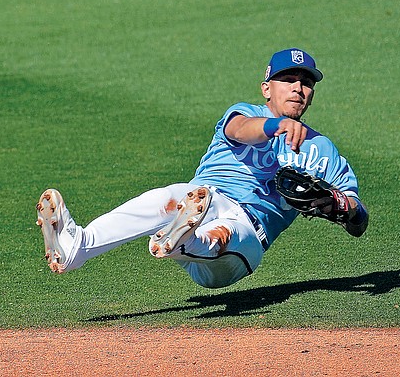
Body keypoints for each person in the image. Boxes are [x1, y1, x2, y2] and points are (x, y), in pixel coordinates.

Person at [36, 48, 369, 288]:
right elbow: (240, 131)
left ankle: (183, 241)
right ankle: (77, 246)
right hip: (203, 199)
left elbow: (359, 219)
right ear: (267, 88)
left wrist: (343, 207)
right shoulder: (244, 114)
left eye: (306, 82)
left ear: (311, 94)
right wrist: (274, 126)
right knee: (170, 198)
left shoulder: (322, 150)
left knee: (227, 234)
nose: (298, 87)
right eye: (288, 79)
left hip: (247, 234)